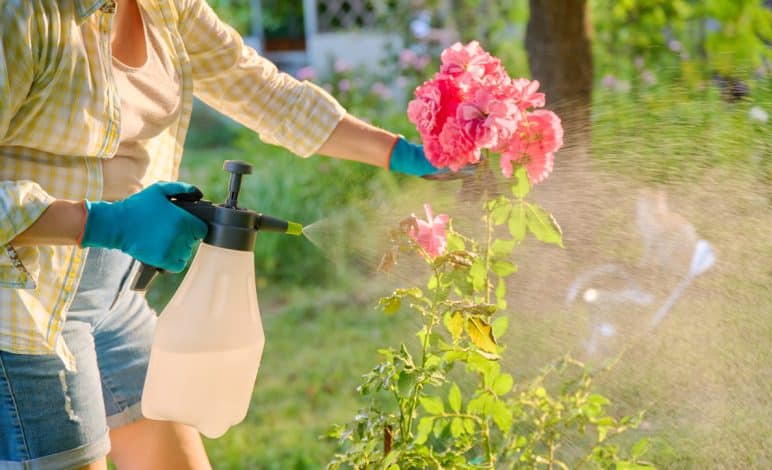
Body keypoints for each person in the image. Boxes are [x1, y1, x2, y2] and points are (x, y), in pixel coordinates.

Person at [0, 1, 448, 468]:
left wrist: (401, 154)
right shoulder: (24, 15)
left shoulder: (167, 7)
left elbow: (262, 90)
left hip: (116, 294)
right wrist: (102, 222)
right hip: (25, 306)